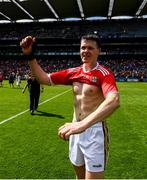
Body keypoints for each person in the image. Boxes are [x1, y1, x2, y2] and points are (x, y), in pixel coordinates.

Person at [20, 34, 120, 179]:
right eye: (83, 47)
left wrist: (83, 125)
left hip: (94, 133)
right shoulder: (74, 72)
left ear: (99, 50)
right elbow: (44, 78)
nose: (85, 51)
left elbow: (114, 100)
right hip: (75, 131)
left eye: (90, 48)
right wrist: (30, 56)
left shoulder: (104, 74)